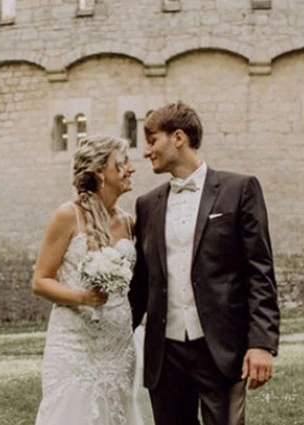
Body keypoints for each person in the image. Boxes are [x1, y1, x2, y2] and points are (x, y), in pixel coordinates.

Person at [129, 101, 281, 425]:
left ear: (178, 138)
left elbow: (260, 271)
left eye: (152, 140)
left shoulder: (239, 189)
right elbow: (140, 287)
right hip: (165, 355)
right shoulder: (147, 205)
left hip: (221, 349)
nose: (146, 151)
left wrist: (262, 344)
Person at [32, 135, 146, 425]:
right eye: (122, 163)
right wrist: (83, 298)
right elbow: (40, 281)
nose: (131, 169)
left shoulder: (130, 223)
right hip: (75, 343)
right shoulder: (67, 216)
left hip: (118, 343)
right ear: (99, 173)